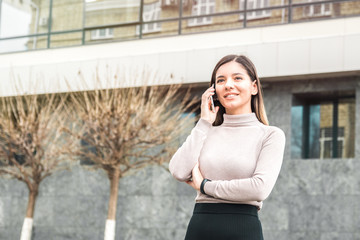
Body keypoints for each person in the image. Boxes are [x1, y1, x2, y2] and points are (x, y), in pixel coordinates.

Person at [169, 54, 286, 240]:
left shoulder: (270, 135)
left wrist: (205, 186)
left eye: (237, 78)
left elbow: (259, 188)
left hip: (243, 230)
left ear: (254, 87)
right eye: (220, 80)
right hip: (200, 228)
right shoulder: (205, 131)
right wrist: (204, 122)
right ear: (214, 90)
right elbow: (178, 170)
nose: (228, 85)